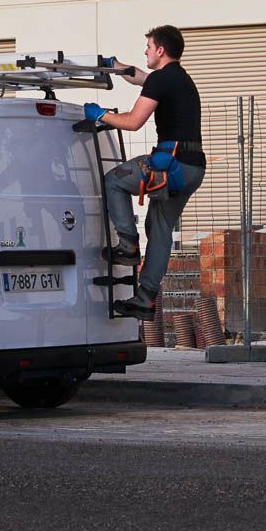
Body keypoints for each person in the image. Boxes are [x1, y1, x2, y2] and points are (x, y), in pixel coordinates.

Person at [82, 25, 206, 320]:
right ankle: (145, 298)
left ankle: (127, 244)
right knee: (161, 228)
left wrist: (102, 115)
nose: (146, 51)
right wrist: (117, 67)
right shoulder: (178, 78)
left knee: (114, 180)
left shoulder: (162, 80)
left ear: (161, 50)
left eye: (149, 46)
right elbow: (142, 78)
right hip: (193, 168)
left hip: (171, 164)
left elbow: (134, 121)